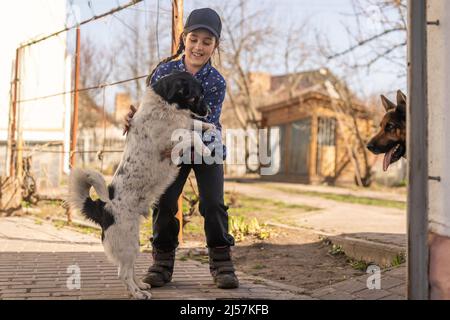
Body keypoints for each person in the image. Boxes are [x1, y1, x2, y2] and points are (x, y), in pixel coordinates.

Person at [123, 8, 239, 289]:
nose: (199, 47)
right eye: (194, 39)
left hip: (204, 144)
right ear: (184, 38)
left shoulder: (216, 82)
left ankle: (222, 263)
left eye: (207, 42)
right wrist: (135, 118)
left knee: (212, 204)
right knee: (164, 202)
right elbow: (152, 109)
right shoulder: (164, 71)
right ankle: (161, 263)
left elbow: (205, 122)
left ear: (215, 46)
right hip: (167, 148)